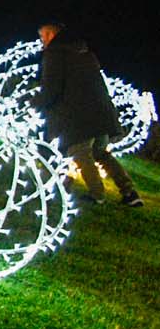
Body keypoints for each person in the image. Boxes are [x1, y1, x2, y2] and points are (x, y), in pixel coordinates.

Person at [30, 22, 143, 208]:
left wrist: (34, 104)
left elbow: (52, 87)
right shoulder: (85, 53)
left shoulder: (55, 54)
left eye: (43, 36)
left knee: (79, 152)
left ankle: (96, 194)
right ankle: (130, 193)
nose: (42, 41)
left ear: (51, 34)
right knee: (100, 153)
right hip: (102, 112)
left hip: (78, 115)